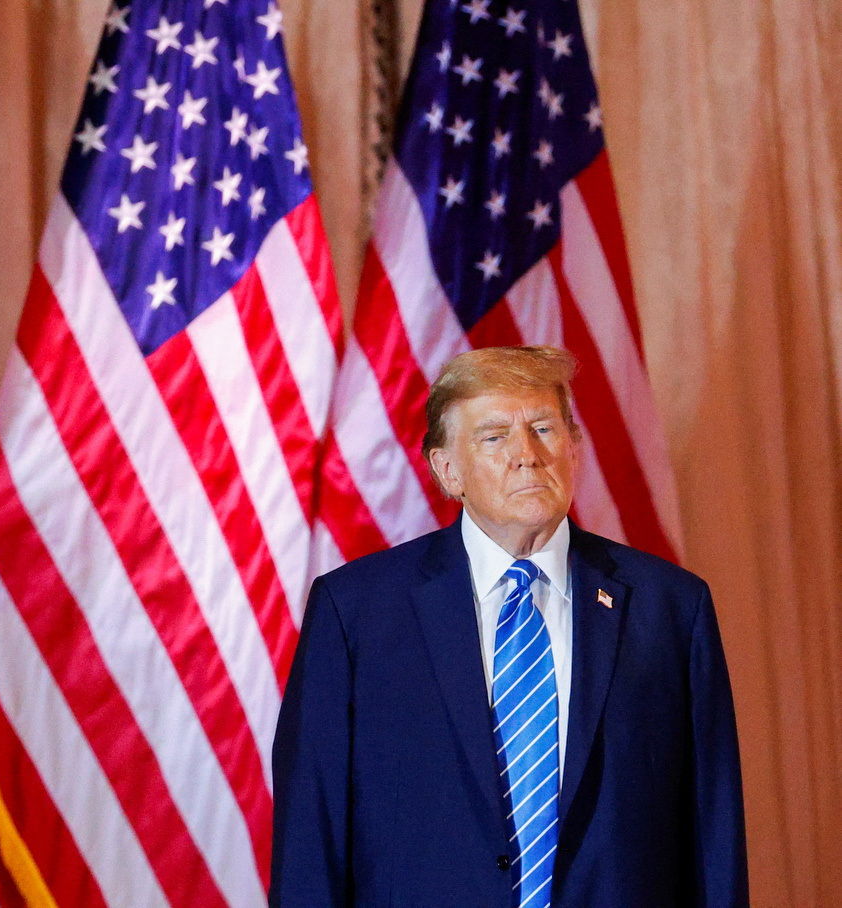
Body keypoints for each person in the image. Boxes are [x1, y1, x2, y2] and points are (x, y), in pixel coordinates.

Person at [270, 346, 747, 906]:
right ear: (447, 470)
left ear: (574, 450)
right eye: (494, 437)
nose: (527, 455)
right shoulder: (356, 613)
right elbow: (311, 837)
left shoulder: (671, 609)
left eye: (543, 429)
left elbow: (713, 827)